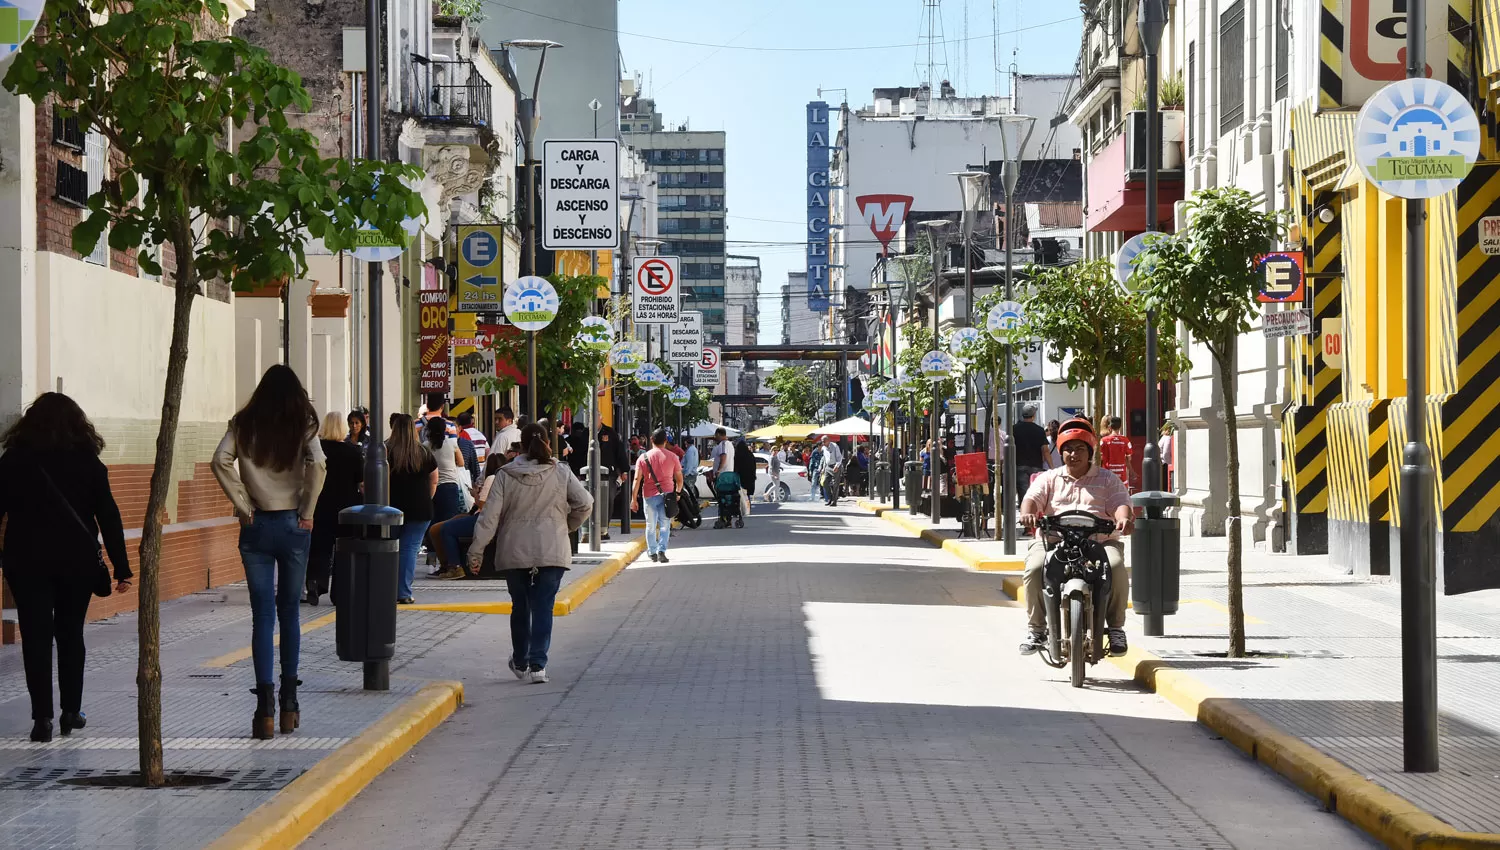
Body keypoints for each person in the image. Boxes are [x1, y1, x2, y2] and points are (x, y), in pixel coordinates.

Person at [0, 393, 131, 743]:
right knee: (71, 633)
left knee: (36, 637)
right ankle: (70, 711)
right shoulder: (88, 462)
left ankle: (41, 718)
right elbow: (109, 515)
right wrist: (122, 566)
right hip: (76, 562)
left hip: (26, 561)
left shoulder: (13, 461)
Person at [212, 364, 326, 740]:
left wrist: (244, 505)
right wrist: (307, 511)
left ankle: (263, 709)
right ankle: (290, 703)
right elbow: (319, 464)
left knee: (262, 615)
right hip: (294, 523)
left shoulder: (244, 423)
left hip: (256, 524)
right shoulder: (303, 423)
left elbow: (220, 460)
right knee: (289, 611)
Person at [466, 423, 592, 684]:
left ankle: (520, 661)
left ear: (520, 445)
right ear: (549, 442)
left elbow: (489, 517)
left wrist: (476, 552)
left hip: (514, 549)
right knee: (543, 607)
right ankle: (538, 665)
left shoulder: (505, 474)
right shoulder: (561, 471)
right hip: (552, 548)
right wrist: (565, 526)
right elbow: (586, 503)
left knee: (520, 606)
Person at [1016, 417, 1133, 658]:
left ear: (1090, 450)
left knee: (1117, 566)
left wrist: (1124, 518)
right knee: (1035, 568)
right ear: (1060, 451)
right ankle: (1037, 629)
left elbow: (1121, 502)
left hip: (1099, 541)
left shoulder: (1108, 479)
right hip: (1053, 540)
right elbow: (1032, 498)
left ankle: (1116, 628)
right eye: (1068, 448)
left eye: (1080, 448)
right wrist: (1027, 513)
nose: (1073, 454)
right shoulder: (1048, 478)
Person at [307, 412, 363, 606]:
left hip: (320, 504)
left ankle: (315, 583)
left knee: (319, 548)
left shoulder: (317, 450)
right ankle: (339, 593)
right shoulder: (353, 452)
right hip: (346, 508)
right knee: (343, 549)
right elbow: (361, 482)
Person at [387, 414, 437, 605]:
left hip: (391, 508)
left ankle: (387, 588)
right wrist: (427, 498)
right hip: (420, 508)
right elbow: (434, 480)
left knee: (389, 549)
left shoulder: (386, 451)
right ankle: (404, 592)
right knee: (409, 550)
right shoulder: (423, 452)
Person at [433, 452, 504, 578]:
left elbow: (483, 504)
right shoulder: (506, 478)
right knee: (449, 523)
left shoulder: (492, 478)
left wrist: (475, 494)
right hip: (496, 519)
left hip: (485, 519)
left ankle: (455, 566)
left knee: (447, 529)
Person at [630, 428, 685, 563]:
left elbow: (637, 479)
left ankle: (652, 552)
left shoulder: (643, 457)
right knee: (665, 524)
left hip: (648, 495)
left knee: (650, 524)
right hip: (667, 495)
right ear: (666, 441)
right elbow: (679, 479)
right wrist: (678, 492)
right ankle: (662, 551)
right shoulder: (673, 457)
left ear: (651, 440)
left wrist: (633, 499)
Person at [424, 415, 468, 579]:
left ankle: (440, 563)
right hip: (450, 487)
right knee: (448, 525)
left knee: (433, 526)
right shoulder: (452, 444)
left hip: (433, 487)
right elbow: (461, 463)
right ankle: (452, 564)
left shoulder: (426, 447)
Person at [597, 424, 629, 538]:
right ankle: (591, 529)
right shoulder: (587, 433)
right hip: (590, 473)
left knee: (608, 500)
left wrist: (624, 470)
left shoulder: (610, 432)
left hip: (608, 473)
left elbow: (619, 450)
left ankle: (604, 529)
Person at [1012, 404, 1052, 489]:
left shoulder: (1014, 429)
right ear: (1034, 416)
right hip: (1036, 466)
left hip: (1019, 465)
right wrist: (1052, 467)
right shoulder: (1040, 430)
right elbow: (1045, 450)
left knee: (1023, 493)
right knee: (1036, 492)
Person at [1099, 415, 1134, 490]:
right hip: (1121, 475)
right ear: (1120, 427)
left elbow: (1099, 457)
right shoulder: (1125, 440)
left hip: (1107, 473)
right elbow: (1129, 457)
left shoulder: (1103, 440)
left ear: (1110, 427)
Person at [732, 437, 758, 524]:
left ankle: (738, 510)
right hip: (750, 478)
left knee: (739, 494)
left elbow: (735, 467)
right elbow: (754, 466)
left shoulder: (737, 456)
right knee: (747, 495)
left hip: (740, 478)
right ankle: (747, 509)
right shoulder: (750, 455)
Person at [820, 436, 844, 506]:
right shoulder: (824, 448)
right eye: (822, 441)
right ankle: (830, 498)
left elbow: (839, 458)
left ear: (828, 441)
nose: (823, 443)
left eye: (824, 441)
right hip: (828, 466)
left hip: (835, 465)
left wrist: (837, 466)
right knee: (825, 482)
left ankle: (834, 501)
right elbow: (825, 458)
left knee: (835, 485)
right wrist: (823, 468)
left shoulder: (835, 446)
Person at [1158, 422, 1176, 491]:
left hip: (1162, 461)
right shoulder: (1168, 438)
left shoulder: (1163, 437)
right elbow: (1166, 453)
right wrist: (1170, 463)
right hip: (1165, 463)